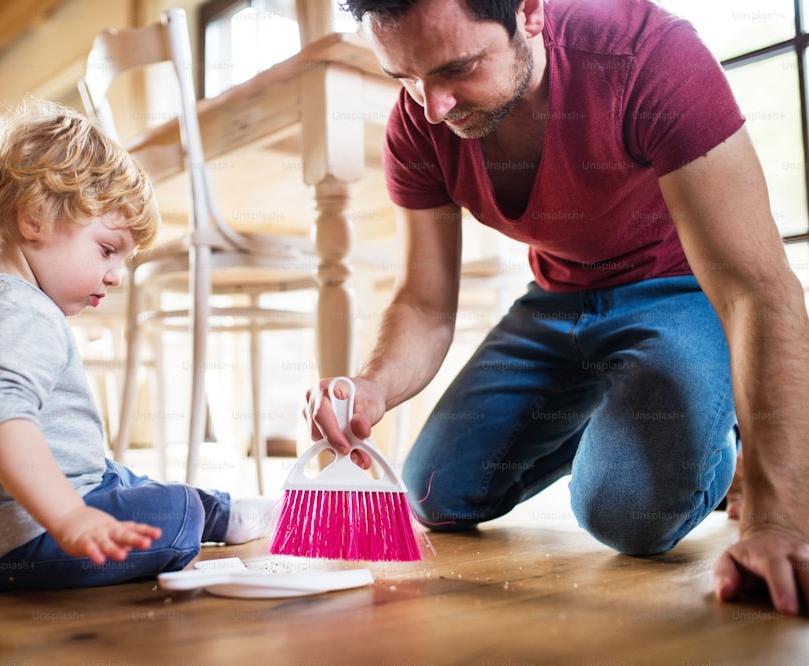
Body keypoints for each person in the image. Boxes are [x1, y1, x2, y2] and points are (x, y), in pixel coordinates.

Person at [306, 0, 809, 615]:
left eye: (458, 68)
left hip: (681, 293)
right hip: (555, 301)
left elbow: (758, 290)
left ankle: (717, 432)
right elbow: (424, 303)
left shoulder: (650, 58)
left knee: (626, 516)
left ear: (530, 12)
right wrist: (373, 385)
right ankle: (649, 414)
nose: (432, 107)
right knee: (433, 493)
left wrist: (779, 516)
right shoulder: (418, 121)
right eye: (405, 78)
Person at [0, 99, 272, 590]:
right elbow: (0, 421)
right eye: (106, 249)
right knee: (172, 509)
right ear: (33, 218)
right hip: (18, 538)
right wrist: (69, 518)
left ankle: (221, 511)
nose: (117, 276)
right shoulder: (20, 310)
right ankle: (208, 514)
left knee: (119, 478)